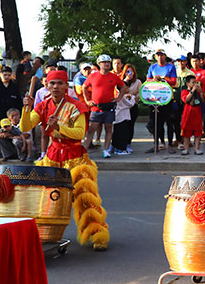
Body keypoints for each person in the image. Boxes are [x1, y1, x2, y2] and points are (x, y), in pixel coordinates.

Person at [20, 68, 109, 250]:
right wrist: (26, 109)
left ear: (66, 86)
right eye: (52, 83)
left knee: (86, 199)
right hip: (52, 155)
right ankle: (44, 234)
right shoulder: (43, 105)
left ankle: (98, 235)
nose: (55, 87)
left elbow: (79, 133)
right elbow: (25, 126)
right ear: (47, 85)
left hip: (75, 157)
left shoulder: (76, 106)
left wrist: (58, 127)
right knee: (46, 198)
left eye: (60, 83)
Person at [82, 54, 127, 159]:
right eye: (104, 62)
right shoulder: (93, 76)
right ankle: (84, 151)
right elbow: (84, 87)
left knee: (108, 127)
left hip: (109, 106)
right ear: (99, 64)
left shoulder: (113, 76)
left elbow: (123, 87)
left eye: (108, 62)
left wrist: (118, 98)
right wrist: (87, 100)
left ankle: (106, 150)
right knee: (92, 128)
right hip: (96, 107)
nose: (106, 64)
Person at [146, 50, 177, 152]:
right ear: (155, 57)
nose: (160, 57)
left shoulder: (171, 67)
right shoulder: (152, 67)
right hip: (155, 98)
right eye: (158, 55)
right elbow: (148, 80)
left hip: (167, 98)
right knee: (156, 122)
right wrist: (154, 79)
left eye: (162, 55)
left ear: (165, 56)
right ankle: (158, 143)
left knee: (169, 122)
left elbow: (174, 81)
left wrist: (163, 79)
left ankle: (170, 144)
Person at [179, 75, 204, 155]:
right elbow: (186, 99)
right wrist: (192, 90)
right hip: (188, 114)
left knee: (198, 132)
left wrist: (201, 92)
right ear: (187, 83)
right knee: (186, 132)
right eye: (193, 82)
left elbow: (203, 101)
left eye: (195, 82)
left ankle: (197, 148)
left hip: (197, 114)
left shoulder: (198, 91)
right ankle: (186, 148)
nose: (195, 84)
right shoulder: (184, 91)